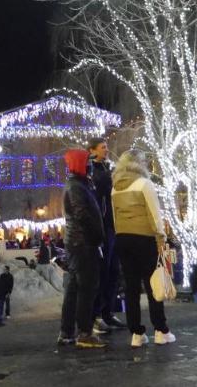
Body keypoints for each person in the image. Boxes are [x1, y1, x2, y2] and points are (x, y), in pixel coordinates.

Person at [109, 149, 174, 348]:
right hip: (145, 239)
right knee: (153, 284)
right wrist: (161, 237)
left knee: (131, 288)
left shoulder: (115, 188)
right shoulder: (145, 184)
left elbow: (114, 217)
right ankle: (161, 330)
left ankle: (136, 333)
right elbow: (155, 214)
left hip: (123, 239)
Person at [58, 148, 107, 349]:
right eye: (87, 161)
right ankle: (84, 332)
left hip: (78, 243)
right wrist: (97, 235)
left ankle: (67, 331)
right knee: (86, 288)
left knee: (74, 289)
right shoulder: (76, 187)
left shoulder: (79, 184)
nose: (89, 164)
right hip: (83, 244)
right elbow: (82, 215)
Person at [87, 138, 124, 333]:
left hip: (113, 225)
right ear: (92, 150)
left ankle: (108, 312)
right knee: (103, 272)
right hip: (104, 228)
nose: (107, 150)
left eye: (107, 147)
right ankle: (97, 315)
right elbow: (96, 198)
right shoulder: (93, 171)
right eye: (103, 147)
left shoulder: (106, 168)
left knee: (114, 272)